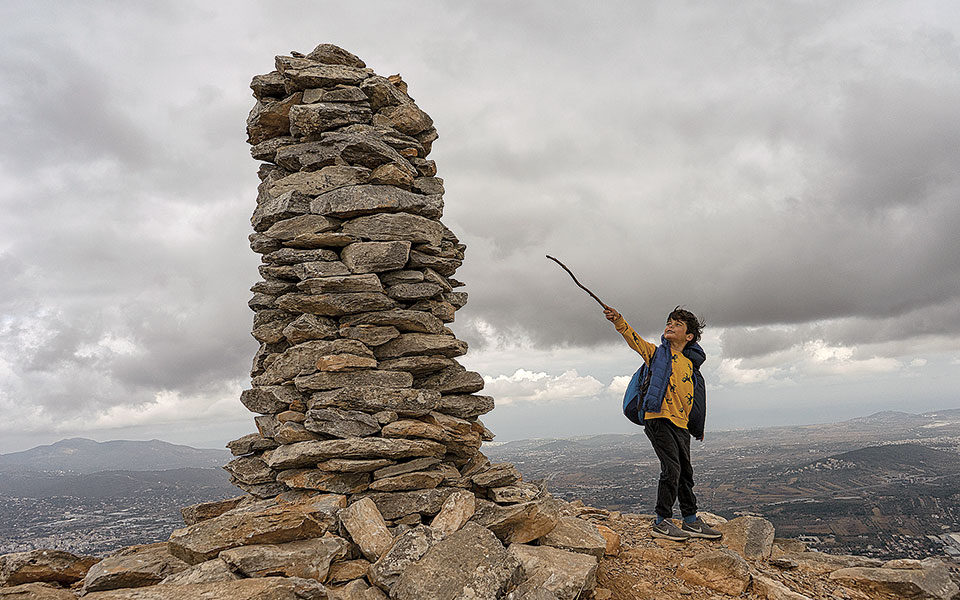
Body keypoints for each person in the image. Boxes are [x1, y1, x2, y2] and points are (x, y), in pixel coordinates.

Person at [604, 305, 722, 542]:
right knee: (672, 469)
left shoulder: (690, 364)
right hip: (657, 418)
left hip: (680, 423)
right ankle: (662, 521)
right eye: (669, 322)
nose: (670, 326)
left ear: (689, 336)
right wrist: (618, 320)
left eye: (678, 324)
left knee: (685, 472)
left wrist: (694, 424)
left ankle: (690, 519)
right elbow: (634, 340)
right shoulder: (656, 354)